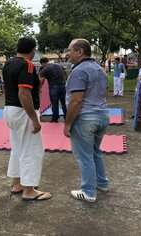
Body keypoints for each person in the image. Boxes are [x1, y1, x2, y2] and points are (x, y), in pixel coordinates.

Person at [2, 36, 51, 201]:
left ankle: (17, 184)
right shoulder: (27, 65)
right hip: (23, 112)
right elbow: (24, 94)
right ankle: (29, 190)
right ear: (33, 50)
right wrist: (34, 119)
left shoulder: (8, 63)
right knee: (31, 150)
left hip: (9, 110)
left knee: (17, 148)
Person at [64, 39, 109, 203]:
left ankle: (88, 191)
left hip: (85, 119)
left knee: (84, 156)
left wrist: (67, 124)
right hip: (102, 116)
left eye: (69, 50)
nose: (67, 54)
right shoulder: (100, 70)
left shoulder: (79, 71)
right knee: (96, 151)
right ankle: (102, 183)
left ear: (80, 51)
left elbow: (76, 101)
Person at [39, 57, 67, 122]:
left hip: (54, 87)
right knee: (64, 103)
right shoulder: (58, 65)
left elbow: (41, 80)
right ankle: (67, 118)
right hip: (63, 86)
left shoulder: (45, 69)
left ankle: (55, 119)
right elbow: (64, 72)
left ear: (43, 63)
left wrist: (40, 87)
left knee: (54, 104)